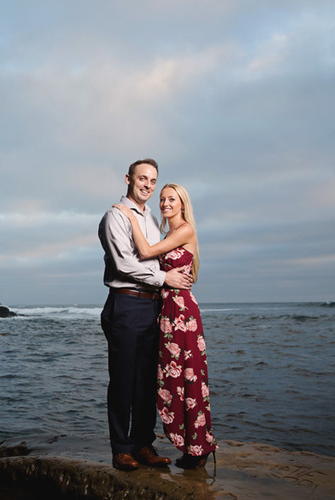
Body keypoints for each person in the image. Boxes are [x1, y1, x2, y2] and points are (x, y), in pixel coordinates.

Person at [114, 183, 217, 469]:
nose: (165, 203)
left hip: (182, 312)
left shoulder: (184, 229)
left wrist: (129, 216)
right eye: (162, 199)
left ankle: (199, 447)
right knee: (173, 380)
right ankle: (190, 446)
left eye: (171, 199)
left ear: (183, 203)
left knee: (190, 377)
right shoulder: (170, 233)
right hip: (166, 311)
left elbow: (146, 252)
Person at [98, 158, 192, 471]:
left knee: (146, 382)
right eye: (142, 179)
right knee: (123, 380)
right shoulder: (115, 216)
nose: (148, 186)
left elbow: (155, 256)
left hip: (154, 306)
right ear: (128, 178)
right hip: (126, 303)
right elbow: (126, 264)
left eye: (153, 181)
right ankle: (120, 449)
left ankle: (142, 444)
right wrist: (166, 279)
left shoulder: (152, 218)